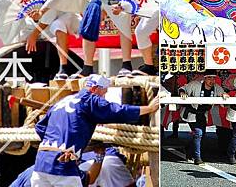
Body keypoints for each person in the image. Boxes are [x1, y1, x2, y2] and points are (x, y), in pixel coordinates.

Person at [30, 74, 159, 186]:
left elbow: (40, 127)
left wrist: (57, 142)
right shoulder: (89, 100)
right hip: (63, 163)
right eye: (103, 94)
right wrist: (149, 108)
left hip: (41, 163)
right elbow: (118, 111)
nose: (103, 98)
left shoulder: (61, 102)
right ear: (95, 89)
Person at [178, 70, 228, 165]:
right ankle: (198, 158)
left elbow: (223, 93)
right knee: (198, 133)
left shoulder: (216, 88)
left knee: (202, 135)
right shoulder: (195, 84)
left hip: (202, 114)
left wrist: (224, 95)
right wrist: (182, 94)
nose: (212, 80)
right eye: (209, 78)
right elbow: (182, 89)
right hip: (192, 113)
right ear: (204, 78)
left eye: (213, 78)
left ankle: (189, 149)